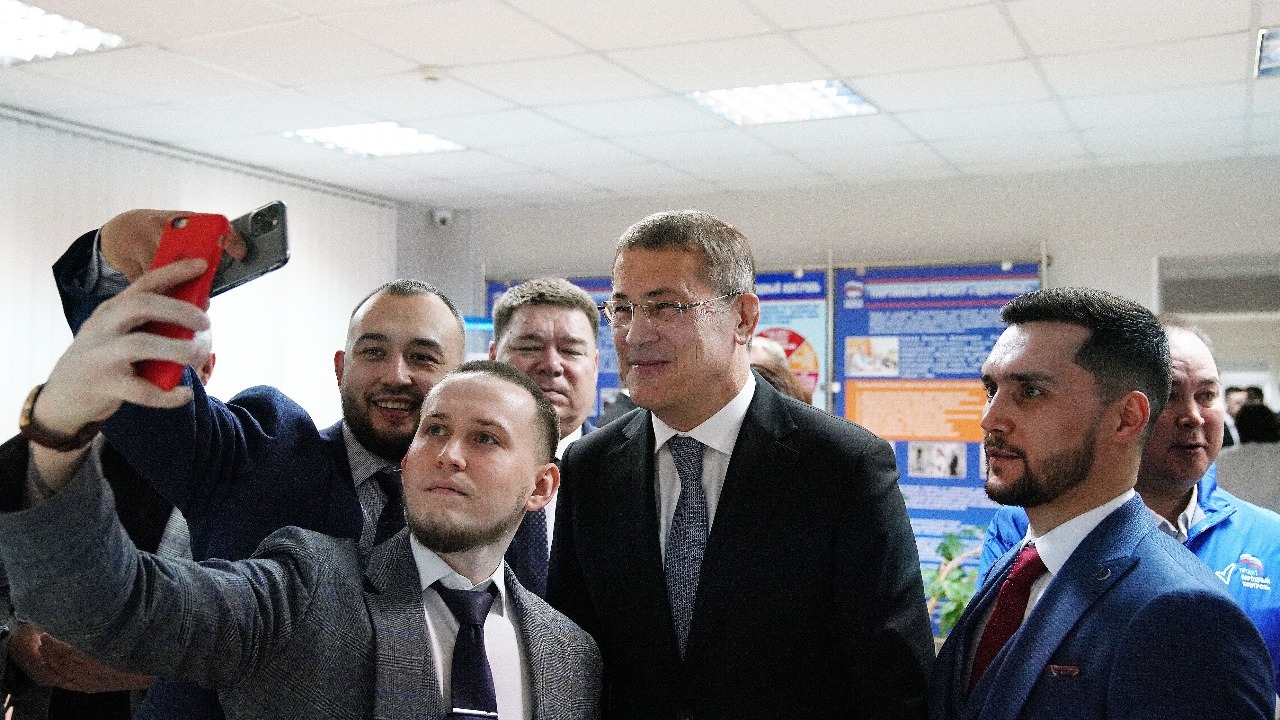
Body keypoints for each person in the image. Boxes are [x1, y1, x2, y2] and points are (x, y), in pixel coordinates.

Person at [0, 266, 600, 718]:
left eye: (485, 438)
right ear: (340, 366)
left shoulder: (565, 656)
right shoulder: (303, 576)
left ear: (539, 487)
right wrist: (56, 433)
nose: (397, 375)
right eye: (435, 432)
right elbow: (117, 601)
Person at [38, 209, 466, 719]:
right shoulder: (263, 453)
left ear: (461, 378)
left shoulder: (491, 507)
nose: (395, 375)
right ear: (340, 369)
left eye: (422, 357)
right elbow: (148, 396)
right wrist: (111, 265)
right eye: (372, 353)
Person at [546, 210, 933, 719]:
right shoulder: (591, 467)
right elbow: (569, 661)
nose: (635, 334)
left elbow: (896, 684)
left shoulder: (841, 467)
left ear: (743, 319)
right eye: (622, 309)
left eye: (666, 307)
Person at [930, 287, 1274, 719]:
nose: (990, 419)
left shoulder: (1184, 614)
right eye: (991, 389)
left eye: (1031, 391)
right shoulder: (1019, 564)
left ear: (1126, 418)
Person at [1, 342, 214, 720]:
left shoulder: (246, 483)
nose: (148, 381)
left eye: (168, 362)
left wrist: (150, 669)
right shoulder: (26, 462)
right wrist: (13, 644)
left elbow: (270, 644)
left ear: (207, 368)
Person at [489, 277, 601, 597]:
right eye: (529, 348)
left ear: (594, 364)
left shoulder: (632, 473)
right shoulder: (453, 465)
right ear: (493, 357)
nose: (552, 365)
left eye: (571, 350)